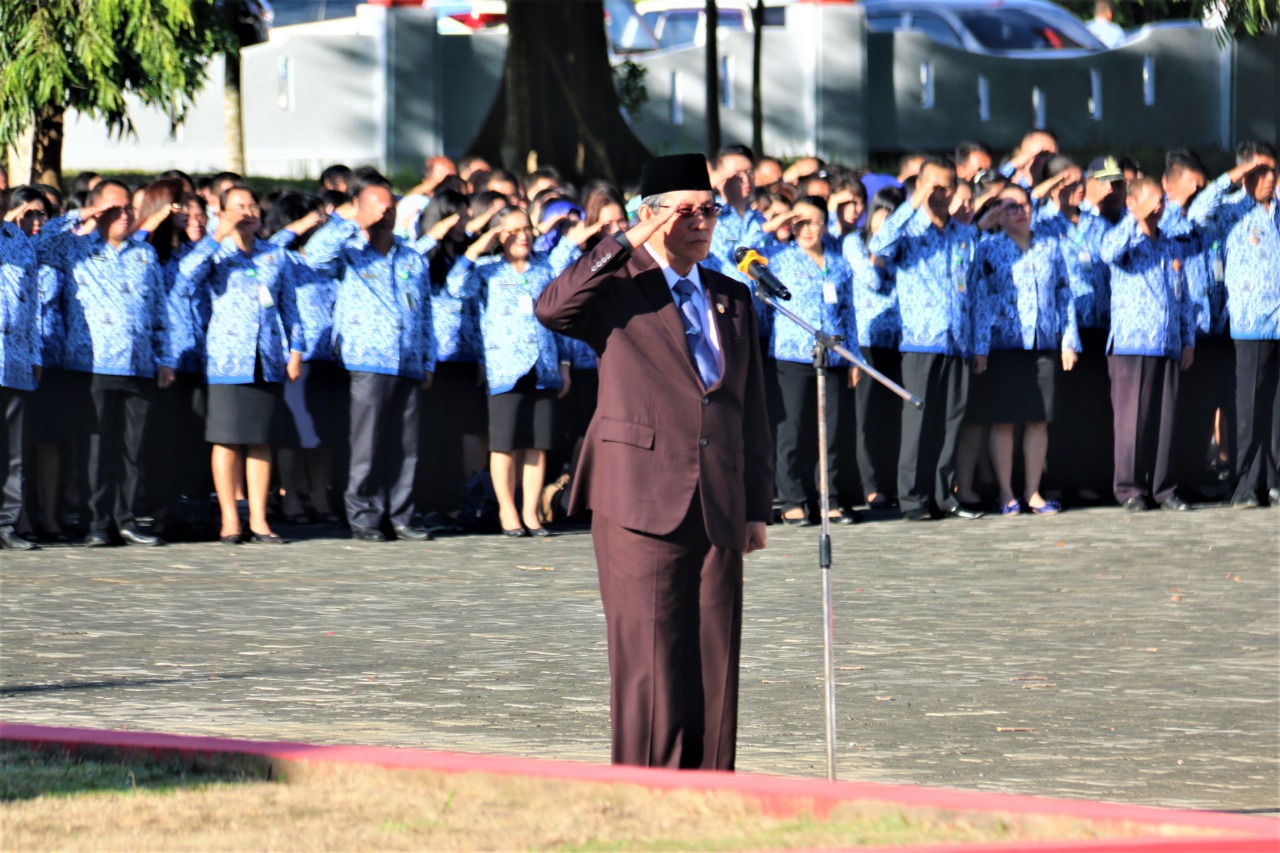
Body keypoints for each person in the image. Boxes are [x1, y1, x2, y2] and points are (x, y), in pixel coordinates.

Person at [535, 153, 773, 771]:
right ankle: (644, 790)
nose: (702, 221)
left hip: (718, 498)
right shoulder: (618, 287)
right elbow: (551, 309)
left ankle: (712, 788)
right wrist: (624, 241)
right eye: (686, 210)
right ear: (651, 216)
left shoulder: (732, 297)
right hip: (639, 493)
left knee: (714, 654)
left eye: (710, 209)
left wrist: (756, 508)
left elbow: (749, 409)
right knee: (649, 656)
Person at [38, 179, 176, 547]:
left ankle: (127, 520)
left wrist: (165, 358)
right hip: (92, 366)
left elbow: (159, 309)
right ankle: (96, 523)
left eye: (129, 207)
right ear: (97, 210)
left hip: (139, 366)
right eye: (114, 207)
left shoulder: (143, 254)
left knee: (133, 450)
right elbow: (43, 241)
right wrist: (82, 214)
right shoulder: (76, 249)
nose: (124, 214)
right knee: (95, 450)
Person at [307, 174, 437, 542]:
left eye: (391, 206)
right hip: (367, 360)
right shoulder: (348, 253)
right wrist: (350, 224)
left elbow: (425, 312)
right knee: (365, 444)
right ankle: (364, 516)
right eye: (377, 205)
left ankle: (401, 515)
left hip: (408, 360)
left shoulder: (412, 257)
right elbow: (314, 259)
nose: (386, 212)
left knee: (405, 446)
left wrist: (428, 360)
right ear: (360, 208)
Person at [447, 206, 583, 537]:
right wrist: (481, 244)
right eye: (512, 231)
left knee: (537, 444)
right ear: (499, 235)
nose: (522, 236)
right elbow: (455, 286)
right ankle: (507, 511)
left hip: (544, 365)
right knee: (504, 443)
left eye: (526, 229)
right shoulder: (486, 269)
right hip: (505, 366)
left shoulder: (545, 268)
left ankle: (531, 511)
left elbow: (559, 319)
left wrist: (564, 365)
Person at [182, 184, 305, 544]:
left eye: (252, 206)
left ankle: (260, 520)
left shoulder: (274, 256)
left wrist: (295, 350)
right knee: (227, 440)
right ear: (221, 213)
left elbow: (290, 308)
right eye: (237, 207)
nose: (247, 213)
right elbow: (185, 278)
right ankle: (230, 519)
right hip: (227, 358)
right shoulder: (214, 252)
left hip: (265, 359)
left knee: (260, 441)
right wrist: (217, 235)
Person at [868, 157, 979, 521]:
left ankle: (944, 495)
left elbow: (976, 292)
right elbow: (880, 245)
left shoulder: (965, 234)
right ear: (920, 185)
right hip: (921, 340)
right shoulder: (909, 230)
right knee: (918, 422)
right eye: (935, 186)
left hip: (958, 340)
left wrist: (979, 345)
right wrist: (913, 202)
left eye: (948, 187)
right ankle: (914, 499)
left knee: (951, 422)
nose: (942, 194)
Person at [970, 185, 1079, 516]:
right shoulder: (987, 249)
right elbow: (976, 297)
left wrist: (1068, 339)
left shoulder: (1049, 247)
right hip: (1003, 343)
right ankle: (1006, 492)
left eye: (1025, 205)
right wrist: (980, 346)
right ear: (998, 213)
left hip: (1043, 342)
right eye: (1011, 206)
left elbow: (1064, 294)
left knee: (1038, 420)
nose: (1020, 211)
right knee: (1003, 422)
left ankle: (1033, 491)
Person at [1187, 141, 1279, 509]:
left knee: (1276, 412)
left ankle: (1272, 480)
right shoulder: (1230, 210)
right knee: (1248, 411)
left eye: (1274, 171)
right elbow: (1196, 214)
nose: (1270, 179)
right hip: (1249, 325)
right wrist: (1234, 176)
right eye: (1261, 172)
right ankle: (1245, 483)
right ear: (1245, 175)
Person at [1101, 177, 1195, 512]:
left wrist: (1188, 339)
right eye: (1153, 201)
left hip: (1167, 342)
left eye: (1161, 201)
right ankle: (1129, 489)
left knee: (1164, 420)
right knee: (1132, 422)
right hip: (1132, 344)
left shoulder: (1170, 244)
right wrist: (1134, 219)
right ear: (1133, 204)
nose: (1159, 207)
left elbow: (1183, 295)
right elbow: (1107, 252)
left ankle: (1163, 489)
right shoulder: (1124, 238)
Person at [762, 196, 858, 525]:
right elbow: (744, 258)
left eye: (813, 222)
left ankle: (828, 498)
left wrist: (854, 358)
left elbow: (849, 314)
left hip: (831, 357)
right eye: (799, 223)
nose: (806, 229)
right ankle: (792, 498)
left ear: (825, 225)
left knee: (828, 432)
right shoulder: (780, 259)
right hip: (791, 354)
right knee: (792, 429)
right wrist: (778, 221)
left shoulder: (840, 264)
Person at [1160, 149, 1232, 502]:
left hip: (1214, 330)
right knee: (1179, 414)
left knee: (1204, 412)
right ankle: (1176, 481)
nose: (1197, 198)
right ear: (1168, 185)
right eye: (1192, 189)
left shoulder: (1207, 226)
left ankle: (1197, 476)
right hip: (1181, 335)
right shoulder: (1167, 222)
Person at [844, 186, 905, 510]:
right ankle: (870, 486)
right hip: (864, 341)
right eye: (883, 213)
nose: (888, 221)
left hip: (898, 341)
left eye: (895, 216)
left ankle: (893, 481)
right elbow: (871, 279)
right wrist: (880, 257)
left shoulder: (904, 248)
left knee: (892, 417)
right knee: (865, 417)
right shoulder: (854, 241)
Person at [0, 208, 41, 550]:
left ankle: (6, 524)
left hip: (13, 360)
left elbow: (32, 304)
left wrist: (35, 353)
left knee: (12, 451)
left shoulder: (18, 241)